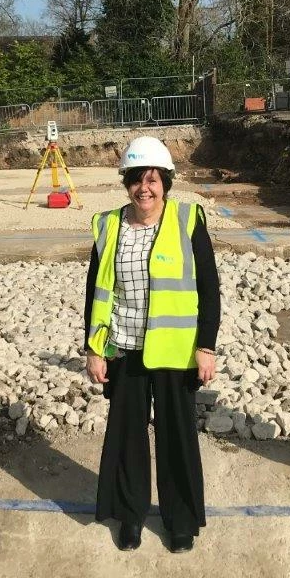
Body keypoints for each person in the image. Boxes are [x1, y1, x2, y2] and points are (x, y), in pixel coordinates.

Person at [83, 136, 221, 553]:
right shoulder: (109, 225)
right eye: (136, 180)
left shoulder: (186, 219)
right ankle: (131, 516)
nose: (144, 188)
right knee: (127, 438)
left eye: (153, 179)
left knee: (176, 437)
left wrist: (207, 346)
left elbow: (209, 286)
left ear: (165, 181)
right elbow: (95, 289)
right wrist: (93, 348)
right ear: (125, 183)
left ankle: (179, 519)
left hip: (175, 352)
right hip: (124, 349)